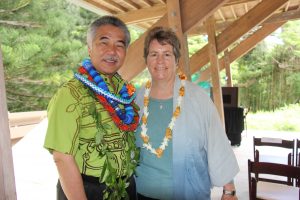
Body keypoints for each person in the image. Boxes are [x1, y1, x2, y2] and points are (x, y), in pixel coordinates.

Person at [134, 26, 239, 200]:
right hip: (142, 193)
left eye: (167, 54)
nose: (160, 61)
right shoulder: (136, 99)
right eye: (154, 54)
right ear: (146, 60)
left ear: (177, 60)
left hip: (187, 193)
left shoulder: (196, 97)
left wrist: (229, 190)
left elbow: (216, 141)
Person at [44, 16, 140, 200]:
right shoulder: (69, 94)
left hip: (125, 186)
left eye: (120, 45)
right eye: (103, 42)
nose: (112, 51)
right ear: (89, 48)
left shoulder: (123, 92)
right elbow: (62, 157)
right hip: (87, 190)